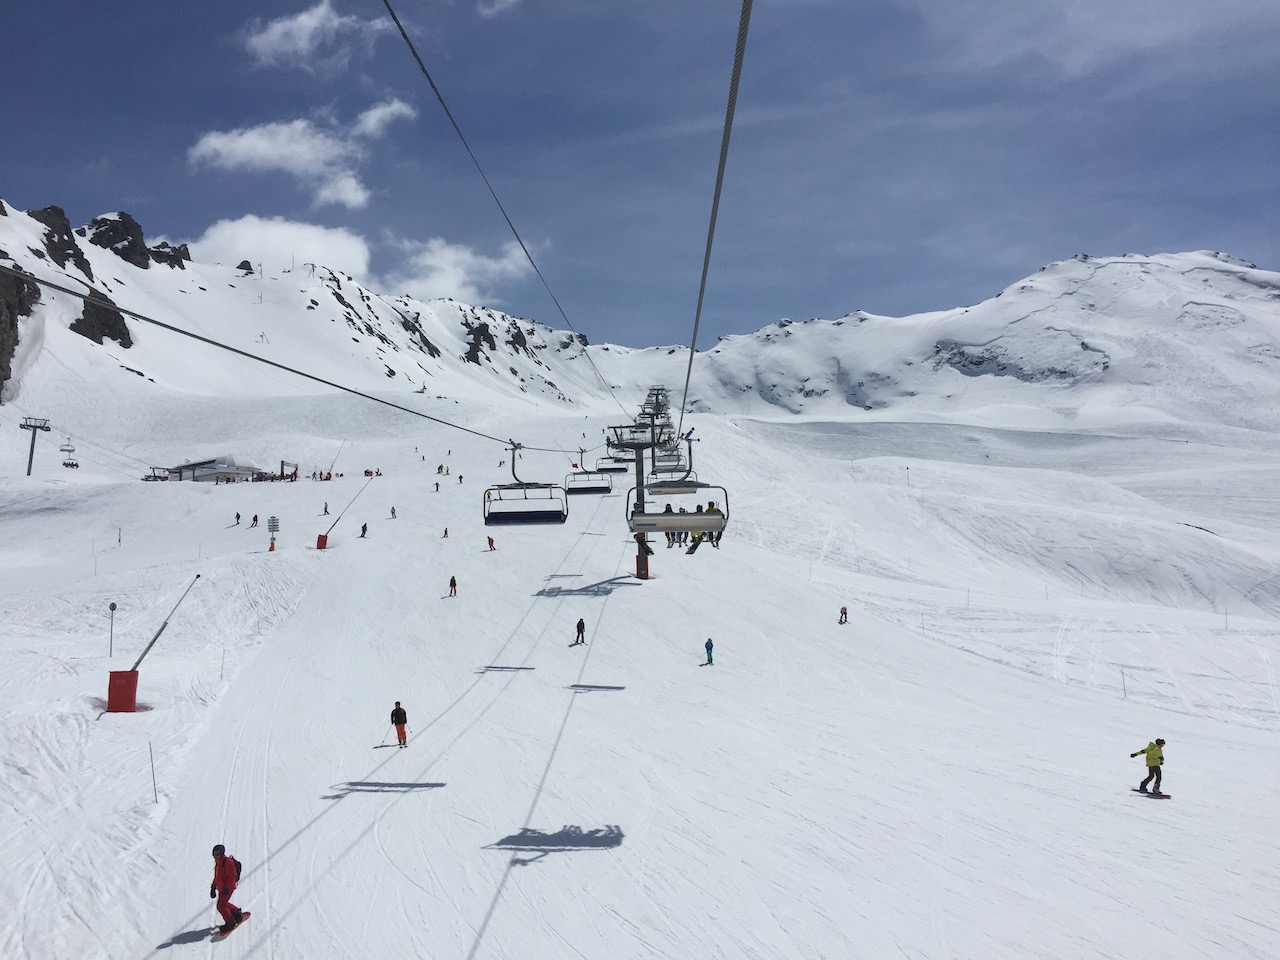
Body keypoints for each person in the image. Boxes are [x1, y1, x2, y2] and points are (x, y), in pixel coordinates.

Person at [210, 844, 244, 934]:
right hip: (222, 888)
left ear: (222, 853)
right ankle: (236, 914)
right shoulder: (218, 862)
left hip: (227, 888)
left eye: (217, 854)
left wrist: (227, 888)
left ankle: (230, 923)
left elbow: (232, 875)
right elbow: (217, 877)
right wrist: (213, 887)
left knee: (221, 906)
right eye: (214, 854)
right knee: (223, 903)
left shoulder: (228, 862)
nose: (215, 856)